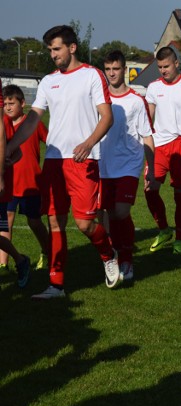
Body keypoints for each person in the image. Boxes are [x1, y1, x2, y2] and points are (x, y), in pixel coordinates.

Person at [6, 25, 121, 298]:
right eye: (49, 50)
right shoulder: (47, 81)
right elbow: (33, 118)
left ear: (72, 47)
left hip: (83, 159)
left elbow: (107, 116)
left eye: (56, 49)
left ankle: (108, 253)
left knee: (84, 224)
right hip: (55, 161)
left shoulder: (92, 76)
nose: (53, 55)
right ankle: (56, 284)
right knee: (55, 222)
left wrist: (89, 142)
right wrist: (10, 146)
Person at [101, 50, 156, 280]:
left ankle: (127, 260)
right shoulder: (100, 99)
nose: (112, 74)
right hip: (104, 164)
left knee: (121, 211)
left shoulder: (136, 100)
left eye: (116, 69)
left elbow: (147, 135)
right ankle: (115, 255)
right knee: (109, 213)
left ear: (124, 70)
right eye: (108, 69)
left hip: (128, 165)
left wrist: (151, 169)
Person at [144, 46, 181, 255]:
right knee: (149, 188)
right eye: (159, 67)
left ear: (176, 64)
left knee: (180, 192)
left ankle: (180, 236)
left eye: (166, 66)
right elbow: (148, 119)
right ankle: (164, 230)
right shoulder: (152, 87)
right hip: (159, 145)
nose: (163, 70)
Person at [0, 84, 48, 273]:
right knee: (6, 221)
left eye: (12, 103)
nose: (8, 107)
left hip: (31, 183)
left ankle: (47, 250)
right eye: (6, 104)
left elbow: (50, 140)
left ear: (23, 103)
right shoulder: (4, 123)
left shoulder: (31, 124)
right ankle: (3, 262)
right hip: (10, 185)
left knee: (34, 222)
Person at [0, 82, 31, 288]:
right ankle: (20, 261)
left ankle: (20, 261)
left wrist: (3, 168)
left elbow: (16, 150)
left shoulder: (3, 121)